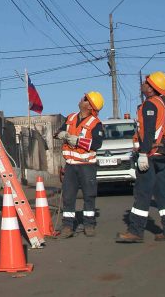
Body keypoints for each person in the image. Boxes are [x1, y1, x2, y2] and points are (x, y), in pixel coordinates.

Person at [117, 71, 165, 243]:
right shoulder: (163, 105)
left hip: (151, 154)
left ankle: (135, 231)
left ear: (152, 89)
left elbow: (149, 131)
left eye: (146, 82)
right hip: (163, 155)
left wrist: (143, 154)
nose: (142, 85)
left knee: (142, 193)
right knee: (164, 194)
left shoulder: (150, 105)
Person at [54, 90, 106, 237]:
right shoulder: (70, 117)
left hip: (87, 165)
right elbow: (58, 132)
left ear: (89, 106)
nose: (80, 99)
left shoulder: (96, 123)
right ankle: (67, 227)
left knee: (89, 195)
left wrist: (78, 141)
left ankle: (89, 225)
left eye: (84, 99)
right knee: (68, 196)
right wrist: (61, 134)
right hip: (70, 165)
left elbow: (97, 144)